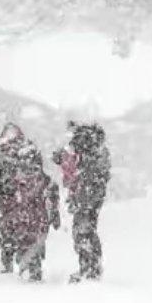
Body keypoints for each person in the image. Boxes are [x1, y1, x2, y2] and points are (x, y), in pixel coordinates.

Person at [0, 123, 60, 282]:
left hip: (9, 206)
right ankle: (32, 268)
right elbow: (47, 182)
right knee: (32, 238)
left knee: (8, 234)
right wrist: (53, 211)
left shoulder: (1, 155)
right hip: (34, 208)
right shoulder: (31, 153)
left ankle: (9, 263)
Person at [53, 120, 110, 283]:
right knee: (87, 230)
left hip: (85, 194)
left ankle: (89, 270)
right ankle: (91, 268)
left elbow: (76, 169)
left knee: (82, 231)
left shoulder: (84, 146)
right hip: (90, 195)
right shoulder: (96, 149)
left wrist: (64, 159)